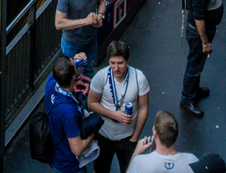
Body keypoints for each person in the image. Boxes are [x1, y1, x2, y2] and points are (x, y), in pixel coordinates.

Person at [87, 41, 150, 173]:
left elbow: (144, 108)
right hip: (103, 136)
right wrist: (113, 114)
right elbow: (91, 103)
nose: (116, 68)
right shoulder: (101, 77)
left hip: (128, 138)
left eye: (120, 63)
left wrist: (134, 138)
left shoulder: (139, 78)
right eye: (112, 63)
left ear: (127, 60)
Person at [180, 0, 222, 117]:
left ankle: (194, 90)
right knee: (194, 65)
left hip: (202, 33)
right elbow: (199, 19)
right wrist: (205, 42)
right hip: (199, 35)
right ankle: (187, 98)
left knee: (197, 63)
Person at [45, 55, 100, 173]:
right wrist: (92, 132)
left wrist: (77, 61)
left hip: (55, 155)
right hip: (69, 166)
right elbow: (77, 149)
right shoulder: (69, 112)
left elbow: (62, 70)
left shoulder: (52, 83)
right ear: (74, 76)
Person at [55, 0, 104, 65]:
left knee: (88, 72)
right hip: (72, 43)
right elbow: (58, 24)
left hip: (90, 39)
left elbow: (101, 1)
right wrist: (85, 21)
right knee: (70, 74)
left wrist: (100, 16)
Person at [125, 111, 198, 173]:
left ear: (155, 134)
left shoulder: (139, 162)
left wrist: (136, 153)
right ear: (177, 134)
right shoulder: (192, 161)